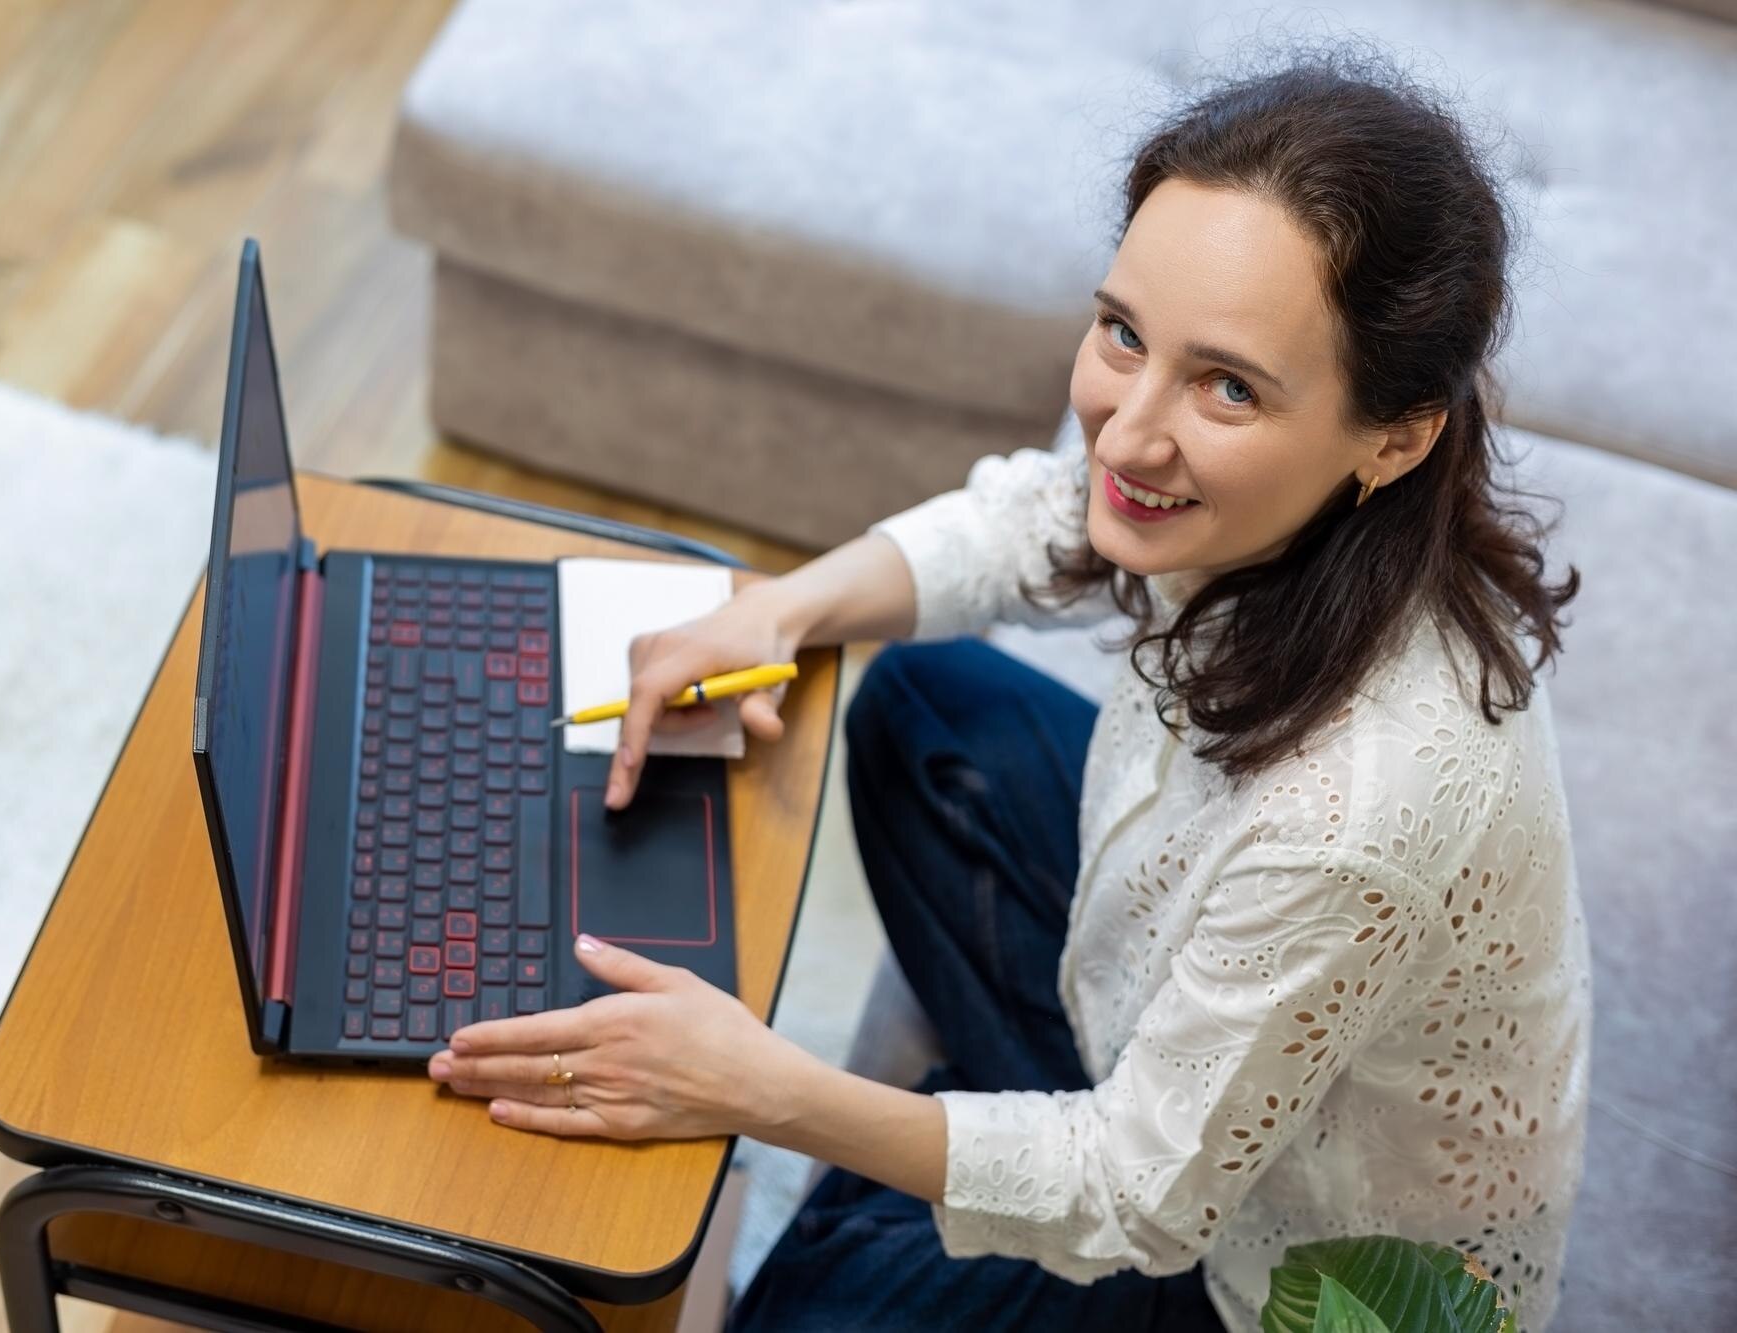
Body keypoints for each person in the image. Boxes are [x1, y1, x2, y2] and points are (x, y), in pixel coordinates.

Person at [424, 46, 1591, 1333]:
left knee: (796, 1305)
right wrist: (780, 604)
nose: (1125, 429)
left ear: (1397, 431)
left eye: (1227, 386)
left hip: (1272, 1274)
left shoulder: (1358, 816)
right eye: (1121, 332)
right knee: (921, 709)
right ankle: (949, 1166)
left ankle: (916, 1189)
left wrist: (765, 1087)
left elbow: (1144, 1197)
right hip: (1178, 1022)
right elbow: (1046, 515)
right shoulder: (1275, 511)